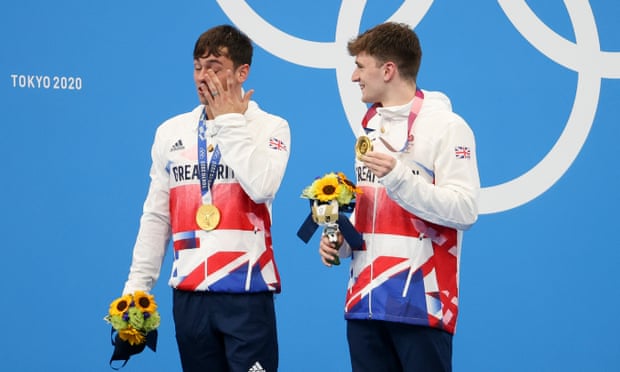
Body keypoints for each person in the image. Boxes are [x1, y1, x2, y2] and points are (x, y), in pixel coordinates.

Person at [121, 24, 290, 372]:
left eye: (214, 67)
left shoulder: (271, 127)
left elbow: (261, 187)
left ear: (242, 72)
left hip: (246, 293)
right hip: (189, 297)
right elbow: (156, 217)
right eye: (197, 67)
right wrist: (135, 289)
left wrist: (228, 120)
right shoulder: (171, 132)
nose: (202, 77)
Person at [318, 22, 480, 372]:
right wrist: (342, 242)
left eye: (360, 66)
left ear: (388, 70)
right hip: (364, 303)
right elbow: (372, 215)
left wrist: (399, 178)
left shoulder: (448, 127)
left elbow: (465, 210)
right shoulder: (369, 130)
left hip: (421, 305)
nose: (353, 77)